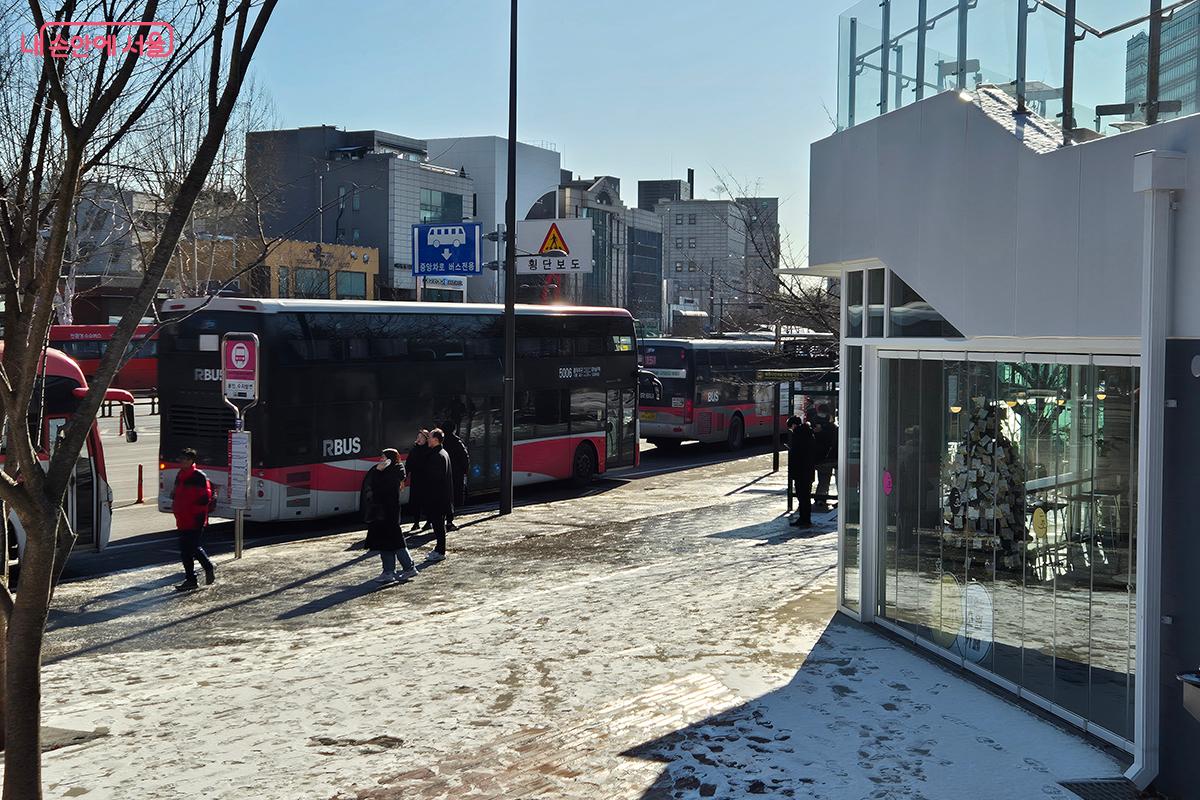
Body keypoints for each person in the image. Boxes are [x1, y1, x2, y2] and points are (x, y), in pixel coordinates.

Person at [362, 448, 417, 583]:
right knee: (390, 541)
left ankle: (399, 569)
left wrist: (378, 471)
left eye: (383, 457)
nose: (380, 460)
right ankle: (393, 570)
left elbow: (381, 488)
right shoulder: (394, 471)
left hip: (387, 511)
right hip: (386, 511)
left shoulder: (391, 473)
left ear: (389, 460)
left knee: (393, 541)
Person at [171, 448, 215, 592]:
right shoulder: (180, 475)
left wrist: (195, 513)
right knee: (186, 550)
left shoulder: (199, 476)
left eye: (184, 459)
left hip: (195, 518)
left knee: (190, 548)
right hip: (182, 518)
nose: (181, 461)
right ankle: (193, 578)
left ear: (191, 461)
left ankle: (202, 571)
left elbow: (205, 499)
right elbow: (176, 493)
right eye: (181, 458)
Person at [420, 428, 455, 562]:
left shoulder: (437, 456)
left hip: (437, 497)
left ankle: (440, 551)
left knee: (438, 525)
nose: (427, 439)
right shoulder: (442, 453)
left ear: (435, 439)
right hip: (441, 496)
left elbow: (434, 478)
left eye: (429, 437)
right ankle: (439, 549)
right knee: (439, 525)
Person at [439, 420, 469, 531]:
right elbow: (465, 458)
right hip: (455, 474)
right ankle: (449, 521)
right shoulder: (457, 442)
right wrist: (465, 471)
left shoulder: (440, 443)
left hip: (442, 475)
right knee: (452, 498)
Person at [787, 416, 816, 528]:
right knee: (806, 496)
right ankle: (805, 518)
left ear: (793, 425)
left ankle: (804, 519)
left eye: (791, 428)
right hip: (808, 470)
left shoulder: (798, 435)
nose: (791, 430)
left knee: (802, 496)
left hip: (801, 471)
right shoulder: (809, 433)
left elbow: (797, 455)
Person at [811, 405, 838, 511]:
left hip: (817, 456)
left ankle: (820, 498)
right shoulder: (831, 426)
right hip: (829, 456)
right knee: (826, 478)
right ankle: (822, 497)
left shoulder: (813, 423)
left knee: (822, 479)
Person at [406, 430, 431, 532]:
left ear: (426, 439)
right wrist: (404, 477)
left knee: (427, 502)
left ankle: (429, 522)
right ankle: (416, 522)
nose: (419, 439)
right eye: (418, 436)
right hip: (416, 479)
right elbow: (408, 465)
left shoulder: (430, 450)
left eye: (422, 437)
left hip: (427, 480)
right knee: (415, 502)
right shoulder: (414, 450)